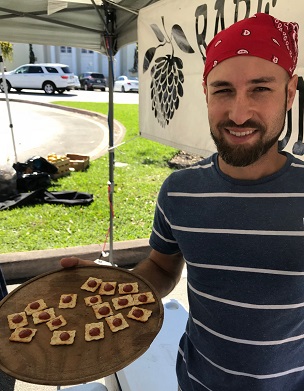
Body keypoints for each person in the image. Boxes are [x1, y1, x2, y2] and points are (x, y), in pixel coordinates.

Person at [61, 12, 304, 391]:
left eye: (260, 89)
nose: (239, 113)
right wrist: (111, 288)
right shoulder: (179, 191)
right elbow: (161, 267)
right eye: (223, 90)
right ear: (206, 94)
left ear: (289, 94)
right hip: (196, 381)